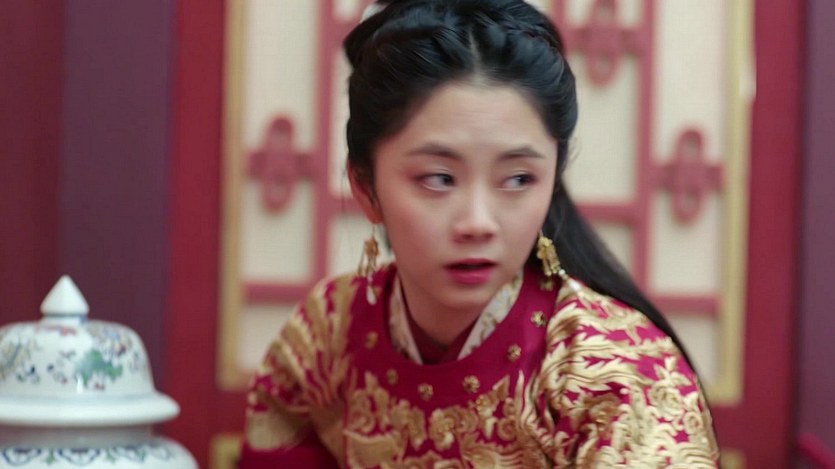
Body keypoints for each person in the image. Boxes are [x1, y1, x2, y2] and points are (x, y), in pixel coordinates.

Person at [238, 0, 719, 467]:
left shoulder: (617, 376)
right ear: (365, 187)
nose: (477, 222)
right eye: (438, 178)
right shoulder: (325, 336)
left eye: (518, 179)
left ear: (551, 181)